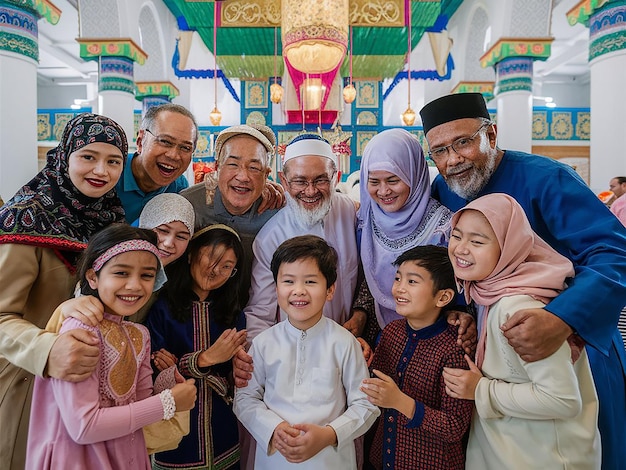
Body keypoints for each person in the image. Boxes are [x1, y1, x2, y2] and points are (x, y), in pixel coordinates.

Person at [420, 92, 626, 469]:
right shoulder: (445, 189)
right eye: (440, 151)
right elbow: (457, 264)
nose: (453, 159)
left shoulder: (547, 179)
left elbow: (613, 254)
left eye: (464, 142)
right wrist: (462, 310)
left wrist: (563, 319)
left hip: (567, 346)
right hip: (492, 354)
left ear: (492, 135)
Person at [0, 112, 128, 470]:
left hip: (86, 389)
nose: (101, 170)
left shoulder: (111, 220)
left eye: (113, 161)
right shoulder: (25, 218)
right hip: (27, 381)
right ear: (64, 156)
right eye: (88, 156)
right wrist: (47, 348)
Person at [443, 194, 600, 469]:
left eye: (477, 241)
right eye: (456, 236)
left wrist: (481, 390)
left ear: (508, 247)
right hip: (511, 450)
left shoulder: (518, 306)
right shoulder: (488, 291)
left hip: (540, 456)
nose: (460, 249)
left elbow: (561, 399)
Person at [25, 224, 197, 469]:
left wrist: (166, 386)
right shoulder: (80, 330)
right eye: (121, 273)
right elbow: (83, 426)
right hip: (78, 459)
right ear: (93, 277)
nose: (135, 285)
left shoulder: (139, 334)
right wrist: (167, 402)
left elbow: (139, 405)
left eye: (147, 275)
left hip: (129, 456)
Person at [233, 235, 379, 469]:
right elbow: (245, 398)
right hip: (274, 460)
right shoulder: (263, 343)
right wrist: (274, 429)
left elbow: (366, 405)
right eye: (288, 281)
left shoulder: (344, 343)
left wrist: (329, 434)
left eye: (310, 282)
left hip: (330, 460)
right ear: (276, 287)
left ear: (330, 290)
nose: (299, 291)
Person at [361, 245, 473, 470]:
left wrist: (401, 402)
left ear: (443, 297)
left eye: (412, 282)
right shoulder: (392, 332)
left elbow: (454, 426)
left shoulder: (454, 349)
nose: (400, 289)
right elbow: (376, 387)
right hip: (383, 458)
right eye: (398, 279)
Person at [145, 224, 247, 469]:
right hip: (175, 429)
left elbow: (234, 375)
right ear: (190, 253)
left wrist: (233, 370)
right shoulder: (162, 309)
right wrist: (206, 359)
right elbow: (155, 373)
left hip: (223, 429)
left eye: (227, 267)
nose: (216, 271)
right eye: (211, 258)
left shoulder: (234, 314)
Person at [348, 128, 452, 347]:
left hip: (432, 338)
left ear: (413, 174)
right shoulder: (365, 219)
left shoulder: (444, 226)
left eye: (393, 180)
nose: (383, 191)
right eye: (374, 182)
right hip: (376, 332)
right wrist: (361, 313)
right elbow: (368, 275)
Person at [181, 124, 282, 305]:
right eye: (233, 164)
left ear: (266, 175)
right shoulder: (189, 205)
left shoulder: (278, 212)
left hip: (257, 313)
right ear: (218, 166)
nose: (243, 176)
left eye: (254, 167)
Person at [117, 103, 197, 224]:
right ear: (140, 142)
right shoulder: (112, 173)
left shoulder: (178, 189)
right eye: (165, 141)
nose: (174, 155)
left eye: (185, 148)